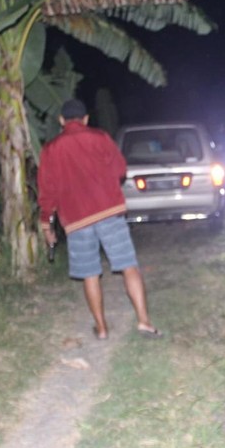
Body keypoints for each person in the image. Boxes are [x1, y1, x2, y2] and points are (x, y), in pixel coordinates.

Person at [37, 99, 162, 340]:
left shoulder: (50, 149)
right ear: (85, 119)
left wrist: (46, 224)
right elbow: (120, 170)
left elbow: (47, 191)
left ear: (61, 121)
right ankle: (144, 322)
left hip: (76, 220)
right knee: (128, 266)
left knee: (90, 274)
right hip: (109, 212)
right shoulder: (100, 137)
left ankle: (102, 329)